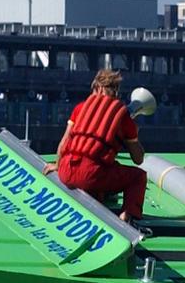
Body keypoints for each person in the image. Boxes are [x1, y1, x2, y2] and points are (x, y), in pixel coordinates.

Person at [46, 68, 149, 223]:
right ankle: (126, 216)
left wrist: (57, 165)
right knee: (138, 176)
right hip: (91, 175)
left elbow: (64, 143)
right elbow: (138, 159)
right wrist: (133, 135)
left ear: (96, 88)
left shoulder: (80, 108)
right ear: (114, 91)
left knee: (104, 172)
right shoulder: (122, 115)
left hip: (66, 170)